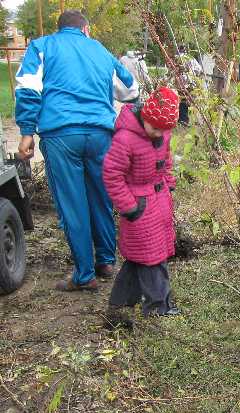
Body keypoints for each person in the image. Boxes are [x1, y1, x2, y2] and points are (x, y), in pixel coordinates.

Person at [15, 10, 137, 291]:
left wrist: (26, 131)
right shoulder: (100, 50)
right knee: (101, 197)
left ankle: (84, 274)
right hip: (100, 135)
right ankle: (106, 261)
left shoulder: (42, 46)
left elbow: (28, 88)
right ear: (86, 29)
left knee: (73, 204)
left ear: (60, 29)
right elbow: (130, 89)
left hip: (61, 135)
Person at [101, 87, 180, 328]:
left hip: (159, 201)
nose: (159, 134)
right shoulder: (125, 139)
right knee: (152, 259)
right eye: (155, 128)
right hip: (140, 205)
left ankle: (120, 302)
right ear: (145, 116)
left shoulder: (162, 133)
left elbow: (165, 161)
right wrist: (130, 206)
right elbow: (112, 174)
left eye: (164, 130)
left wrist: (169, 183)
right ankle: (158, 307)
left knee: (139, 257)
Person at [176, 46, 203, 126]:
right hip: (191, 82)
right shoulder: (191, 58)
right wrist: (194, 74)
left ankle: (183, 120)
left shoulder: (178, 58)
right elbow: (199, 69)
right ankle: (196, 120)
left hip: (182, 83)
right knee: (192, 102)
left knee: (183, 101)